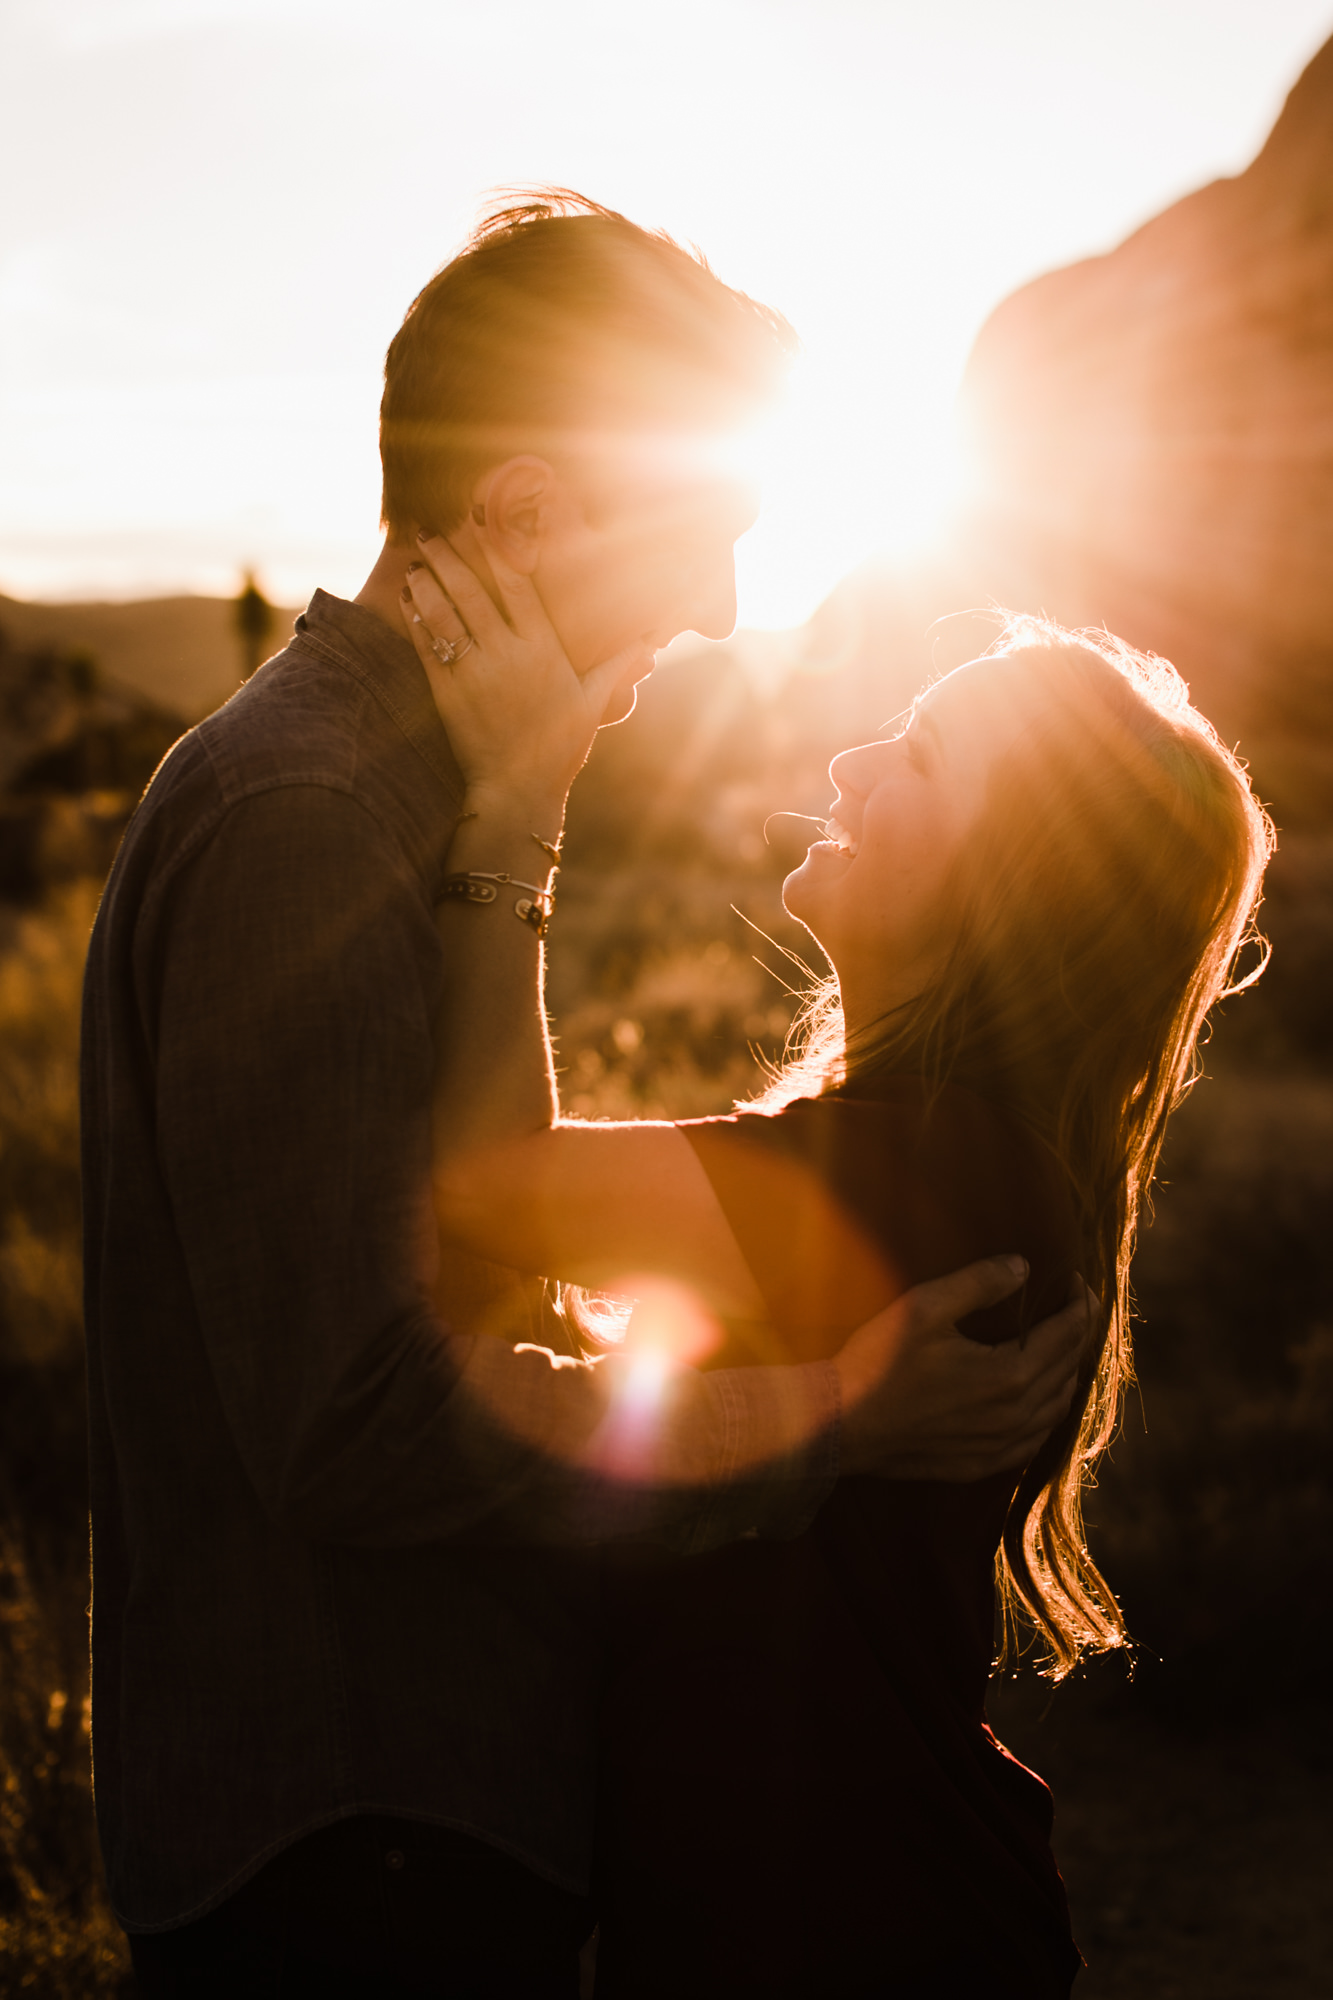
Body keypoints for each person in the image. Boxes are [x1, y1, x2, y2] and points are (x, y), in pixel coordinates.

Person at [80, 192, 1089, 1997]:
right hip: (352, 1839)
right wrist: (819, 1421)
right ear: (527, 510)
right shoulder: (309, 818)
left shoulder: (414, 804)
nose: (719, 614)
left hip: (413, 1821)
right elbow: (354, 1421)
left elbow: (477, 1227)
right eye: (708, 539)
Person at [405, 544, 1273, 1996]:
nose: (860, 753)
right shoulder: (939, 1154)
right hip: (836, 1911)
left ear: (1006, 882)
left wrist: (516, 807)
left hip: (846, 1931)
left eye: (922, 755)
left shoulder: (925, 1174)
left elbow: (483, 1182)